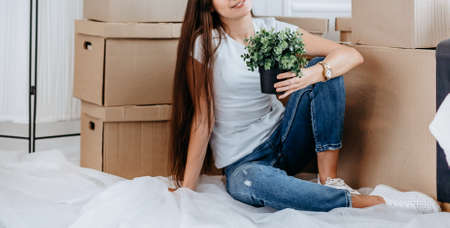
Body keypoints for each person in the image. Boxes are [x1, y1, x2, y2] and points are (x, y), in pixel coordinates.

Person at [168, 0, 441, 214]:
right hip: (244, 163)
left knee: (325, 68)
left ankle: (329, 179)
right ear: (208, 4)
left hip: (285, 140)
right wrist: (187, 190)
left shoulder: (273, 31)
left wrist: (314, 74)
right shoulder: (206, 45)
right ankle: (373, 202)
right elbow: (203, 120)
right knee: (251, 184)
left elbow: (350, 55)